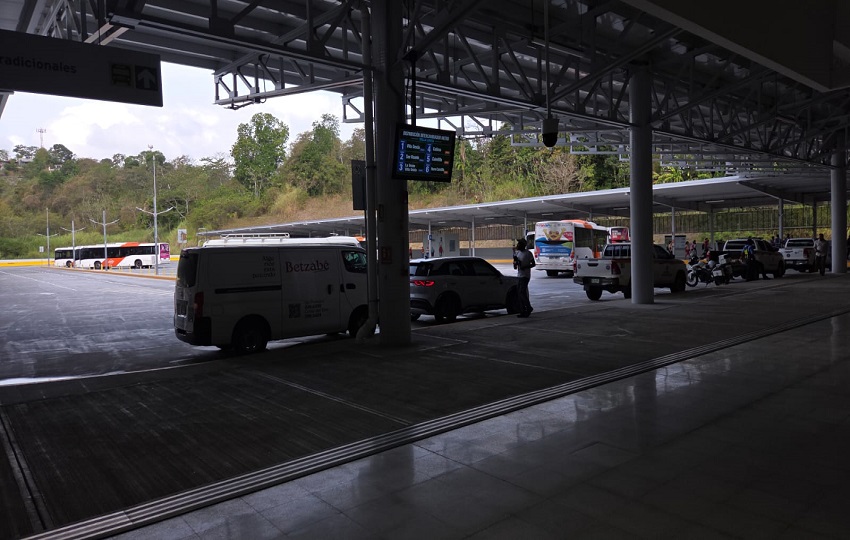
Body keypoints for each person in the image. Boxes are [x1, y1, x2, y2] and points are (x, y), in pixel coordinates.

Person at [513, 238, 535, 318]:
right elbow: (515, 267)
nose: (517, 245)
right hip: (519, 275)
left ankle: (528, 307)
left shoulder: (528, 253)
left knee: (522, 292)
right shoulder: (517, 253)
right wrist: (515, 262)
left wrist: (525, 266)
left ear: (523, 245)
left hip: (525, 276)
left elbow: (533, 264)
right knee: (519, 293)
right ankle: (523, 311)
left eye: (519, 244)